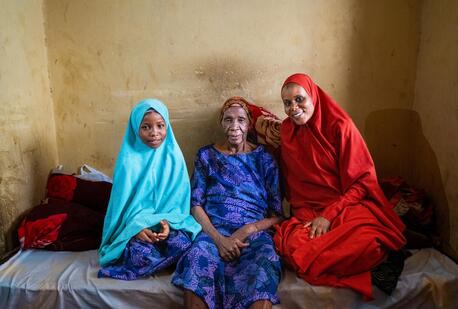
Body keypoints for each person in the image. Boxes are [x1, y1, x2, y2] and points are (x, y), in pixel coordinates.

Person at [273, 73, 406, 299]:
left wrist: (329, 215)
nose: (293, 108)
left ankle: (381, 261)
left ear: (313, 96)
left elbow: (362, 182)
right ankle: (364, 265)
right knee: (294, 249)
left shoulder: (340, 126)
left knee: (368, 241)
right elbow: (251, 115)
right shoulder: (287, 130)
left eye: (299, 99)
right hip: (307, 210)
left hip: (344, 205)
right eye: (287, 103)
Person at [172, 97, 283, 309]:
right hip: (213, 231)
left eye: (241, 120)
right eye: (228, 120)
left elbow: (277, 214)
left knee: (264, 261)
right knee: (197, 258)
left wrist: (248, 229)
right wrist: (219, 239)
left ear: (249, 124)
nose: (234, 126)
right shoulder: (206, 156)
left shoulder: (264, 159)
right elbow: (195, 205)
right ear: (221, 123)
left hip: (254, 235)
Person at [98, 98, 201, 280]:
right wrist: (136, 229)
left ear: (167, 126)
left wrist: (167, 225)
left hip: (168, 224)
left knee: (185, 245)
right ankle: (160, 260)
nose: (154, 133)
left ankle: (165, 257)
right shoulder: (128, 163)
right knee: (139, 255)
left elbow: (178, 204)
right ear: (135, 129)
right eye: (146, 127)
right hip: (136, 227)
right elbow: (121, 209)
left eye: (160, 126)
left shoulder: (174, 159)